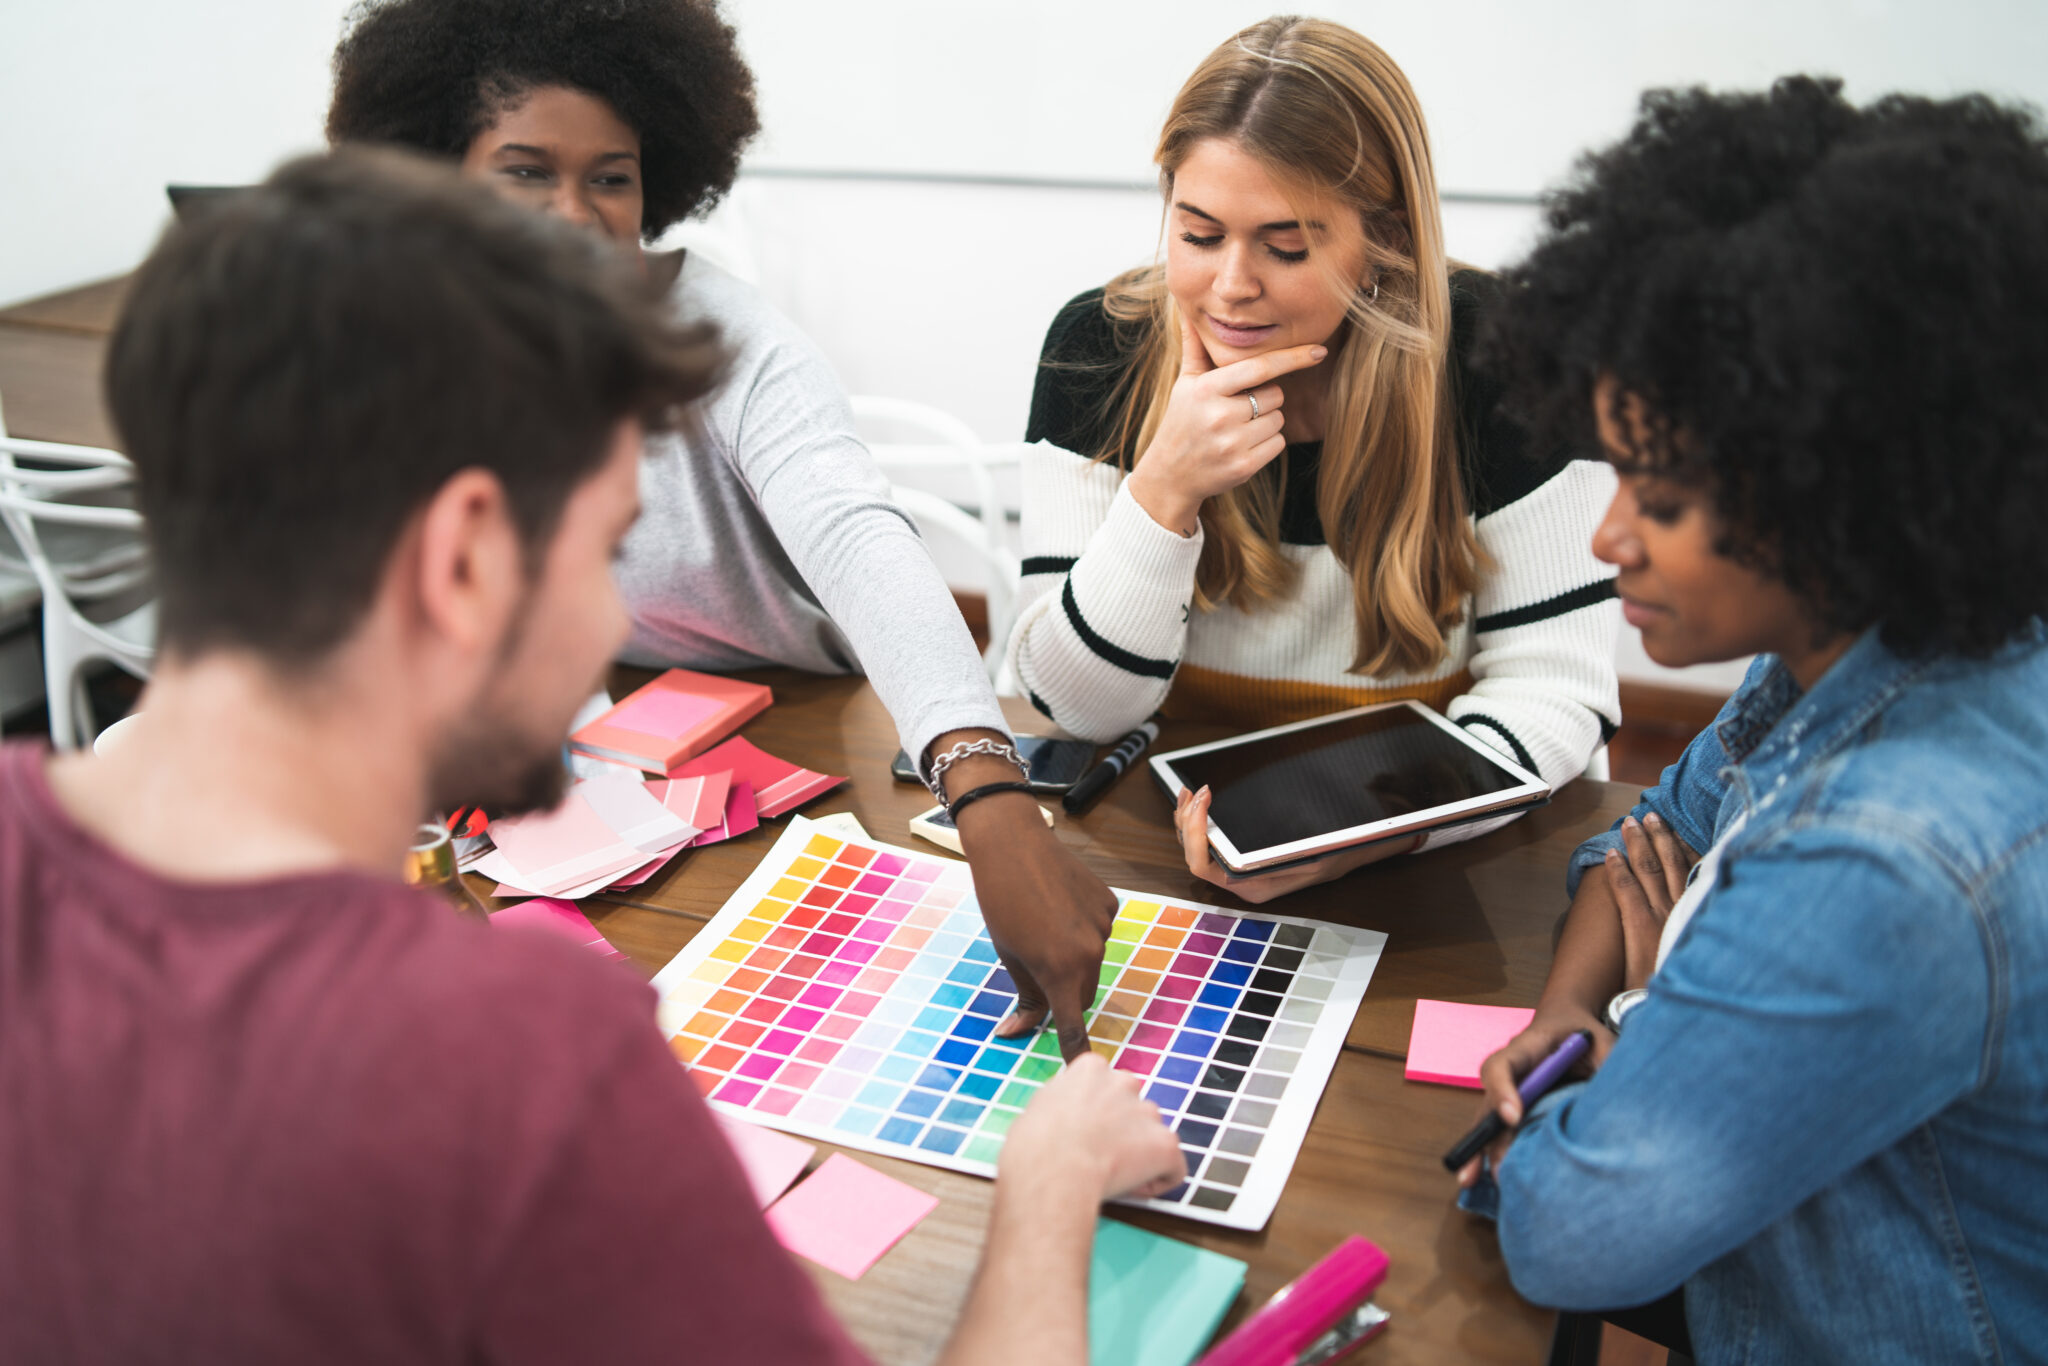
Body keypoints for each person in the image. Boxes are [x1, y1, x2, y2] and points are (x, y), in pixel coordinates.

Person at [0, 149, 1184, 1364]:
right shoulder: (532, 1057)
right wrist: (1050, 1183)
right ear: (464, 558)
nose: (613, 625)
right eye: (608, 549)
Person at [325, 0, 1115, 1056]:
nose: (575, 215)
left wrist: (987, 791)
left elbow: (860, 541)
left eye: (611, 177)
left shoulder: (734, 347)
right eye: (525, 172)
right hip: (599, 742)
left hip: (806, 735)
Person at [1455, 79, 2048, 1363]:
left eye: (1660, 498)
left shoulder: (1878, 860)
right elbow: (1641, 846)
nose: (1608, 537)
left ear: (1837, 491)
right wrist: (1568, 1013)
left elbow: (1565, 1233)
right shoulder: (1874, 643)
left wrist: (1643, 1012)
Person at [1009, 16, 1620, 902]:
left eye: (1286, 246)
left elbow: (1557, 691)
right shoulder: (1096, 349)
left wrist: (1365, 833)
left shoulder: (1514, 357)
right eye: (1198, 234)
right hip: (1167, 841)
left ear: (1387, 240)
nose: (1232, 287)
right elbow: (1078, 709)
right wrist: (1163, 492)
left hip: (1424, 854)